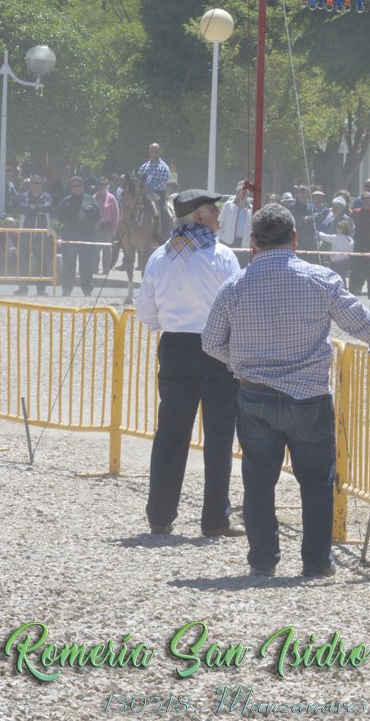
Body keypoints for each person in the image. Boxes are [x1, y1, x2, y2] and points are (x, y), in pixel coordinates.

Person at [201, 204, 370, 578]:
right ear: (295, 239)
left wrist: (241, 363)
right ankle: (316, 562)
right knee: (316, 483)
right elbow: (357, 320)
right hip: (309, 397)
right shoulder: (321, 279)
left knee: (258, 482)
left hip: (255, 395)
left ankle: (263, 560)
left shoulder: (233, 287)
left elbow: (211, 342)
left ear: (253, 242)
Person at [136, 189, 243, 539]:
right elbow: (236, 305)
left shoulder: (159, 257)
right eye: (213, 210)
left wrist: (171, 325)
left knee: (170, 433)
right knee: (219, 436)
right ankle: (215, 518)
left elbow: (146, 311)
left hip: (175, 346)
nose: (218, 215)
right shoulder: (222, 256)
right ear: (198, 216)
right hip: (216, 348)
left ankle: (160, 516)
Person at [55, 176, 100, 296]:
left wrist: (89, 218)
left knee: (86, 265)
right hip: (69, 237)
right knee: (68, 265)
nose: (76, 188)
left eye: (79, 185)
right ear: (71, 188)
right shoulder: (65, 201)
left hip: (87, 237)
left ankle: (87, 290)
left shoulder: (91, 200)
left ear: (82, 186)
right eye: (74, 186)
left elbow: (98, 216)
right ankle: (66, 290)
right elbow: (59, 218)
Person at [12, 175, 53, 296]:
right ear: (30, 184)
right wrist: (39, 209)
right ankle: (22, 288)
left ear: (42, 184)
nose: (36, 185)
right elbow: (21, 208)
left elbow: (49, 208)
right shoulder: (23, 196)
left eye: (38, 183)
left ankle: (41, 290)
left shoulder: (47, 196)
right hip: (25, 234)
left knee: (42, 262)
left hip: (41, 235)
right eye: (34, 183)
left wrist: (34, 208)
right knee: (23, 262)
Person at [136, 143, 172, 238]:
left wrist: (149, 188)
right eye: (150, 151)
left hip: (158, 195)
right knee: (129, 206)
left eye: (154, 151)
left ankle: (165, 235)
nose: (152, 153)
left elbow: (163, 183)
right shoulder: (144, 166)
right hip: (143, 194)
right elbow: (139, 179)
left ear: (159, 152)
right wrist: (141, 186)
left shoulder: (164, 167)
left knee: (164, 211)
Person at [218, 182, 253, 267]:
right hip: (227, 242)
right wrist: (220, 238)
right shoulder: (228, 205)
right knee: (226, 265)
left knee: (242, 266)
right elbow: (220, 222)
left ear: (247, 194)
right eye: (238, 192)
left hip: (244, 243)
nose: (241, 194)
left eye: (243, 192)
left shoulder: (252, 209)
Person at [94, 177, 120, 275]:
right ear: (97, 186)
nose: (102, 186)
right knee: (95, 249)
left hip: (107, 227)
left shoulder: (111, 198)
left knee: (107, 250)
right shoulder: (93, 197)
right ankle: (94, 268)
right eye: (100, 184)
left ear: (106, 186)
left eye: (104, 184)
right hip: (96, 227)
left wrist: (115, 228)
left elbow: (116, 214)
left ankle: (106, 269)